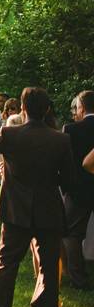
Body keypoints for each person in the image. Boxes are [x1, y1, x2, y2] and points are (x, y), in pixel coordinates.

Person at [0, 87, 76, 307]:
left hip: (15, 210)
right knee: (49, 265)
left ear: (23, 108)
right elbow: (69, 180)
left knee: (7, 262)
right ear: (47, 109)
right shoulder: (60, 139)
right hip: (48, 209)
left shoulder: (9, 134)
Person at [61, 89, 94, 290]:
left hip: (78, 190)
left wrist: (65, 188)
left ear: (81, 107)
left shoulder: (71, 130)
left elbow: (65, 163)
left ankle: (78, 278)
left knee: (72, 234)